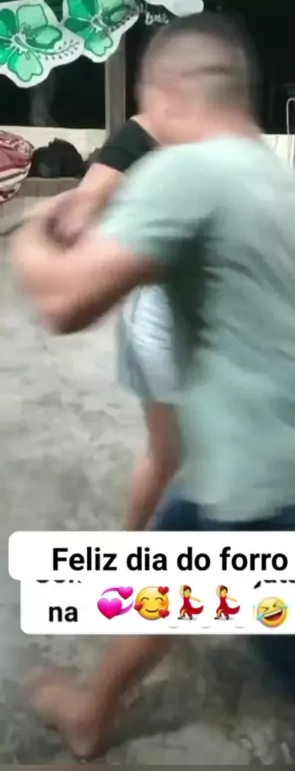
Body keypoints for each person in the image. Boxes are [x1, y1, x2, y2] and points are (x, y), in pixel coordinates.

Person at [12, 13, 295, 764]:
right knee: (171, 570)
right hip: (289, 459)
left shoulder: (185, 172)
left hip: (256, 484)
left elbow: (64, 304)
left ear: (169, 91)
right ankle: (92, 712)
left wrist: (26, 230)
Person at [49, 115, 178, 530]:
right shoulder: (145, 131)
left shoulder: (227, 138)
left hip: (216, 313)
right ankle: (129, 548)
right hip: (164, 316)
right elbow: (80, 215)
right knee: (168, 454)